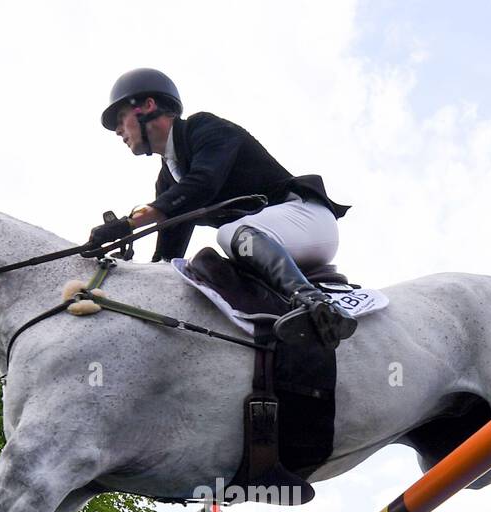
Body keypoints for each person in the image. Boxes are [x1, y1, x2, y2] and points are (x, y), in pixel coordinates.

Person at [91, 68, 357, 350]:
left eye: (120, 119)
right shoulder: (167, 179)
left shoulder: (203, 127)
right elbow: (167, 257)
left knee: (228, 234)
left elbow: (203, 184)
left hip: (307, 219)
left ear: (148, 106)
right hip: (270, 240)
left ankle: (315, 303)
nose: (118, 131)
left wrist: (130, 224)